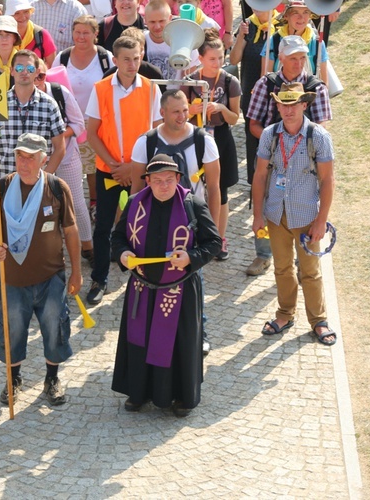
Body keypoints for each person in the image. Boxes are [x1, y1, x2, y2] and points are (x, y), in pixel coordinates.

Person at [111, 153, 221, 416]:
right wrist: (123, 254)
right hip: (142, 287)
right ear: (147, 181)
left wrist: (191, 258)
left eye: (169, 180)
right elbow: (117, 239)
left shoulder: (193, 204)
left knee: (178, 344)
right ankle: (139, 392)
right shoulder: (136, 203)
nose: (163, 185)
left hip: (179, 289)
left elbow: (214, 242)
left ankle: (181, 396)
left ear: (178, 179)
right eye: (157, 180)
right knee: (140, 340)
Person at [0, 133, 82, 406]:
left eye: (31, 157)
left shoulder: (57, 187)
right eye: (19, 156)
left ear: (44, 159)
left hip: (50, 276)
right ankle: (13, 379)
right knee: (12, 329)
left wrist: (77, 272)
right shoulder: (2, 188)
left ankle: (52, 379)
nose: (24, 163)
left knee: (54, 326)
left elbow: (71, 231)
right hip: (12, 278)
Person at [251, 82, 337, 346]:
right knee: (282, 268)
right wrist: (257, 216)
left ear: (304, 105)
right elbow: (260, 174)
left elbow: (328, 180)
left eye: (293, 104)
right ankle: (285, 314)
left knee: (310, 271)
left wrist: (321, 220)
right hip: (276, 213)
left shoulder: (319, 136)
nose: (288, 110)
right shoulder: (269, 134)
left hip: (307, 216)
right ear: (277, 105)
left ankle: (318, 321)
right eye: (283, 104)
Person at [0, 49, 66, 306]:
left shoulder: (49, 104)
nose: (25, 73)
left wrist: (46, 178)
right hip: (8, 182)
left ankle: (42, 282)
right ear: (11, 70)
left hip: (39, 183)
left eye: (30, 69)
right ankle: (0, 282)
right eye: (19, 68)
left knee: (40, 232)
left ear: (38, 71)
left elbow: (59, 146)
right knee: (2, 230)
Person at [84, 35, 162, 305]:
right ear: (115, 60)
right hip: (109, 171)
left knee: (143, 224)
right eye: (127, 59)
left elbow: (156, 132)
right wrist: (116, 166)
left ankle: (144, 275)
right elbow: (92, 132)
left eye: (137, 58)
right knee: (103, 225)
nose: (133, 64)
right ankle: (100, 278)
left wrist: (132, 167)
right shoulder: (101, 88)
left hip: (139, 171)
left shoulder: (152, 88)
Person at [246, 34, 331, 276]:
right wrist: (274, 144)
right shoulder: (266, 84)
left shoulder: (316, 87)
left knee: (306, 205)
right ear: (281, 58)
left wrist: (301, 145)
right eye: (293, 58)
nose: (298, 62)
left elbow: (323, 126)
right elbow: (253, 124)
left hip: (307, 160)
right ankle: (263, 254)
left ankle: (303, 261)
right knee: (263, 201)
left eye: (302, 57)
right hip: (271, 155)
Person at [183, 29, 240, 260]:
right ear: (201, 59)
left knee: (221, 190)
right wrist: (190, 111)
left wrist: (223, 109)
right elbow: (178, 115)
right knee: (193, 191)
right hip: (195, 138)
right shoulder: (189, 81)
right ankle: (194, 236)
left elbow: (236, 118)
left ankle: (220, 238)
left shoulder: (230, 81)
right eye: (212, 59)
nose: (218, 63)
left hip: (221, 138)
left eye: (221, 58)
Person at [54, 15, 115, 224]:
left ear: (95, 34)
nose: (81, 37)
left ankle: (94, 205)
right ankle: (67, 208)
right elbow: (53, 86)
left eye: (86, 32)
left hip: (96, 121)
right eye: (77, 32)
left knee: (94, 168)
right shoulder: (62, 57)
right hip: (68, 124)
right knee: (69, 166)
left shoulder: (105, 57)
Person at [33, 58, 93, 267]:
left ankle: (88, 246)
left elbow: (78, 124)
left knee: (76, 202)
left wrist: (56, 134)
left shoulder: (59, 93)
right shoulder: (20, 95)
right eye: (33, 75)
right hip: (37, 162)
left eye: (41, 76)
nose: (36, 81)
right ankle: (50, 250)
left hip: (66, 157)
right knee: (42, 206)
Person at [230, 6, 275, 241]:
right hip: (251, 98)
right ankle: (255, 190)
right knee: (252, 145)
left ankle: (272, 192)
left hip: (276, 101)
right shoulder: (247, 25)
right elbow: (234, 59)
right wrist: (241, 36)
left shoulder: (281, 25)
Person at [263, 0, 329, 83]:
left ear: (310, 16)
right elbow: (265, 80)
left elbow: (324, 83)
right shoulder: (273, 41)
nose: (301, 17)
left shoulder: (317, 43)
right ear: (286, 16)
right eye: (295, 12)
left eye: (305, 12)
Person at [0, 0, 58, 67]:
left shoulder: (42, 35)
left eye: (26, 12)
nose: (23, 17)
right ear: (9, 15)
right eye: (17, 13)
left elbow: (52, 68)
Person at [144, 0, 199, 81]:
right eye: (152, 22)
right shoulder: (139, 41)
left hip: (176, 93)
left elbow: (188, 80)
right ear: (145, 20)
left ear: (170, 18)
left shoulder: (185, 43)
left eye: (161, 21)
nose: (157, 26)